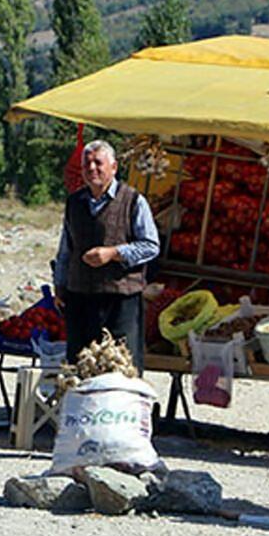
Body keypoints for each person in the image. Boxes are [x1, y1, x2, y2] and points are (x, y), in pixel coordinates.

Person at [53, 140, 160, 370]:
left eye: (98, 163)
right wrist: (60, 285)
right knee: (81, 367)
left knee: (120, 368)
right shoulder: (75, 203)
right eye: (87, 164)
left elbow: (151, 245)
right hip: (80, 297)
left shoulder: (133, 201)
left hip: (120, 301)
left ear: (113, 167)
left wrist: (113, 253)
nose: (92, 168)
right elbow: (66, 250)